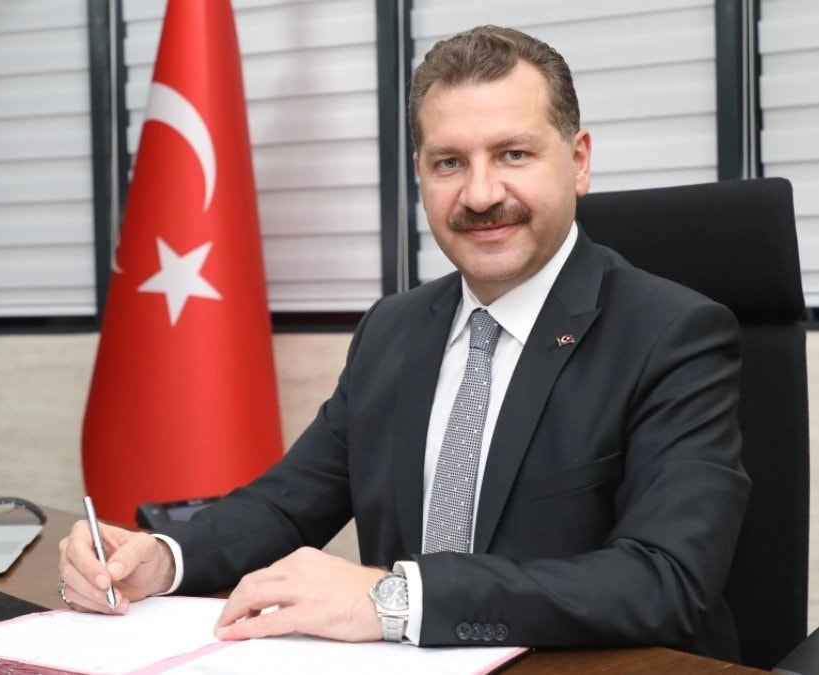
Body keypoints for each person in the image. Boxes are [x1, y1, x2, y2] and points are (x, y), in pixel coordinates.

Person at [59, 25, 750, 661]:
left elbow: (665, 579)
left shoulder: (673, 335)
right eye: (449, 162)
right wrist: (163, 557)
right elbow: (285, 504)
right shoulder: (393, 328)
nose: (481, 194)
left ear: (578, 161)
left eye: (513, 154)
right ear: (420, 172)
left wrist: (394, 599)